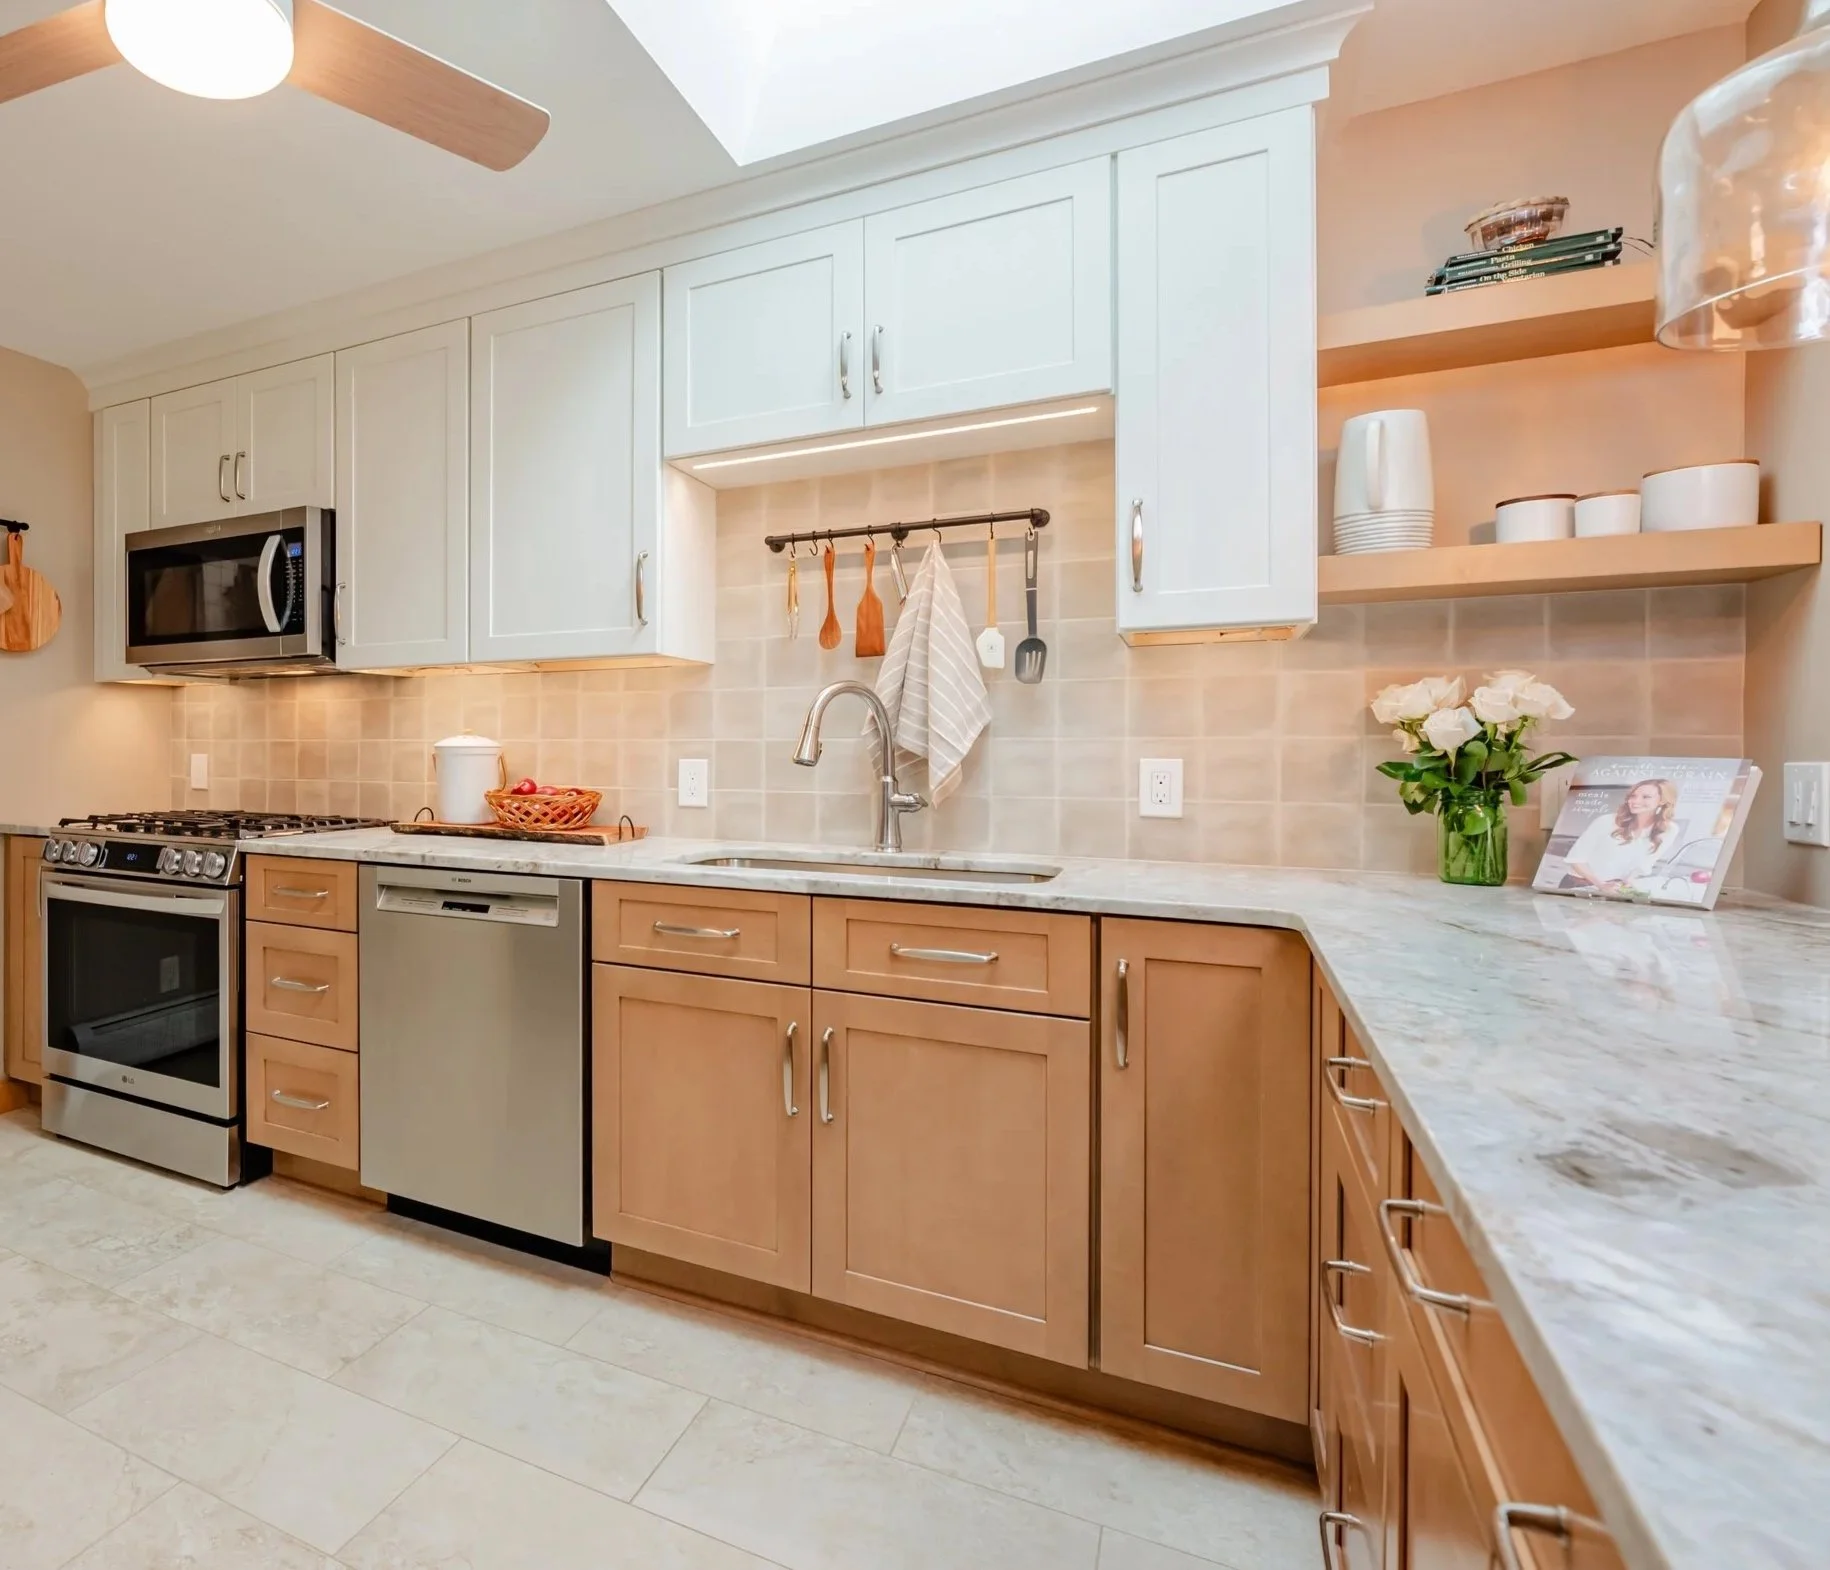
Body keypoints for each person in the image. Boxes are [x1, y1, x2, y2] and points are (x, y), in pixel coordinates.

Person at [1562, 779, 1681, 894]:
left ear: (1662, 801)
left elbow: (1646, 863)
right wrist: (1601, 885)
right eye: (1633, 796)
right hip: (1580, 885)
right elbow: (1576, 859)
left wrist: (1629, 881)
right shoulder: (1606, 821)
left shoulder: (1669, 830)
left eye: (1646, 797)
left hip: (1614, 888)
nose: (1635, 801)